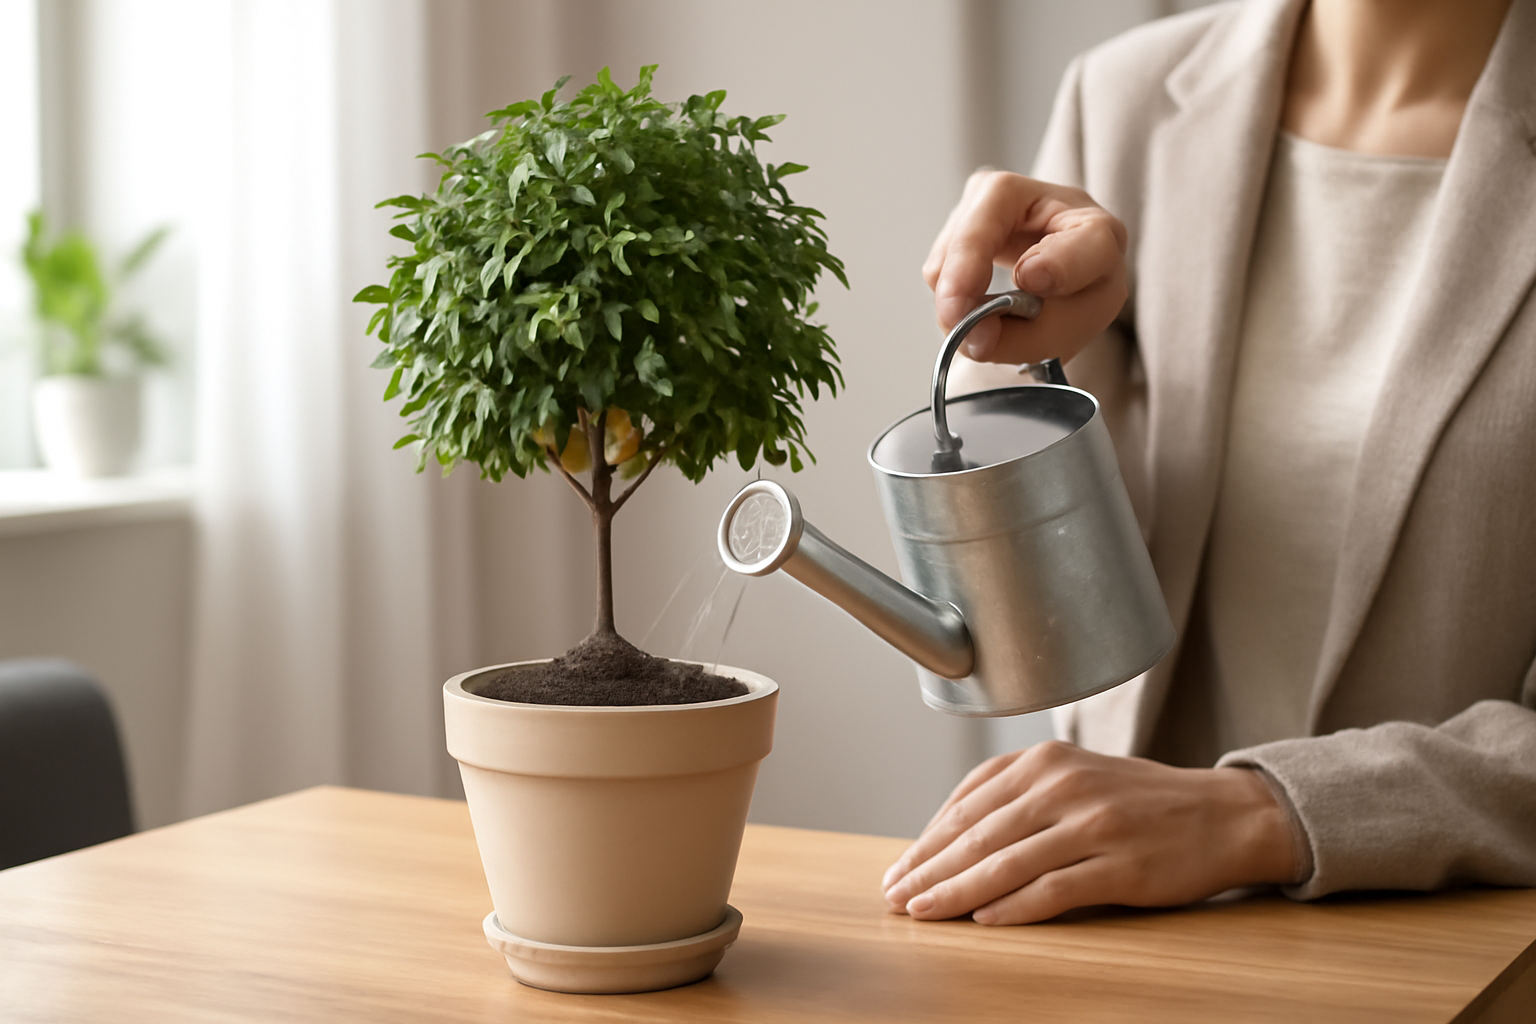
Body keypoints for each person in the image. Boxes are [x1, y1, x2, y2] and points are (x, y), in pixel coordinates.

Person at [881, 0, 1536, 926]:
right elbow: (1027, 640)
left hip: (1459, 965)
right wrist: (1039, 351)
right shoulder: (1125, 100)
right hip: (1141, 948)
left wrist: (1262, 811)